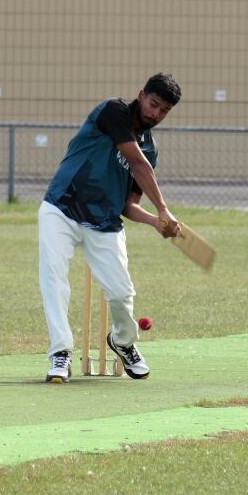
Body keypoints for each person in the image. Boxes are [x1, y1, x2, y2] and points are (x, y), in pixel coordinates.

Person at [39, 73, 182, 384]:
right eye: (153, 104)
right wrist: (163, 209)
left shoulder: (151, 148)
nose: (155, 114)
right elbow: (138, 163)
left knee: (121, 292)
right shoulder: (112, 111)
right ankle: (60, 352)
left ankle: (122, 340)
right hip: (61, 208)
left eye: (163, 111)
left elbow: (128, 206)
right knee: (54, 277)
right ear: (141, 94)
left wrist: (155, 222)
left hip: (104, 221)